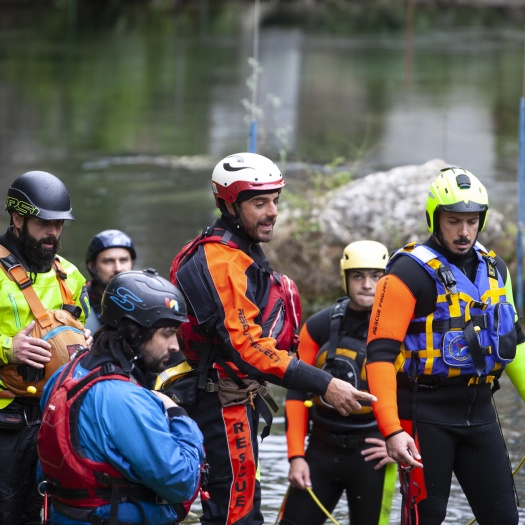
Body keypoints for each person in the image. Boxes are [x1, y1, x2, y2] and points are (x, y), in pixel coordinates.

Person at [170, 152, 377, 525]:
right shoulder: (221, 261)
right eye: (259, 202)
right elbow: (245, 347)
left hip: (236, 398)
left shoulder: (241, 251)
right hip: (220, 402)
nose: (273, 212)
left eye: (276, 201)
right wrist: (322, 382)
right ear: (228, 205)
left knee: (245, 506)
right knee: (235, 513)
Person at [366, 166, 525, 525]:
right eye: (454, 221)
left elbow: (515, 343)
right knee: (427, 517)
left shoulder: (496, 269)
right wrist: (391, 430)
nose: (464, 231)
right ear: (434, 219)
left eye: (472, 221)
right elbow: (378, 356)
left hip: (480, 410)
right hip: (424, 413)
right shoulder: (406, 273)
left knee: (504, 518)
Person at [37, 268, 205, 525]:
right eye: (167, 333)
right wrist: (178, 415)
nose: (174, 346)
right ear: (134, 331)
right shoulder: (125, 399)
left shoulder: (66, 372)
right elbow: (181, 481)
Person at [279, 240, 396, 525]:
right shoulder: (318, 326)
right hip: (320, 450)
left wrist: (397, 442)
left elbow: (417, 390)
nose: (367, 284)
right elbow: (296, 391)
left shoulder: (399, 328)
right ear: (345, 279)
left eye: (375, 276)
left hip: (373, 453)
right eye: (358, 276)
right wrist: (296, 457)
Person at [0, 170, 91, 525]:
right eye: (44, 223)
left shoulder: (70, 274)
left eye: (59, 224)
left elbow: (85, 331)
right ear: (18, 218)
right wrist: (9, 348)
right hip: (5, 424)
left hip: (54, 422)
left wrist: (90, 343)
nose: (53, 233)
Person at [84, 229, 136, 332]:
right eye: (108, 261)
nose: (118, 268)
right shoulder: (78, 301)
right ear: (92, 266)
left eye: (123, 260)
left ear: (132, 263)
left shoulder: (145, 299)